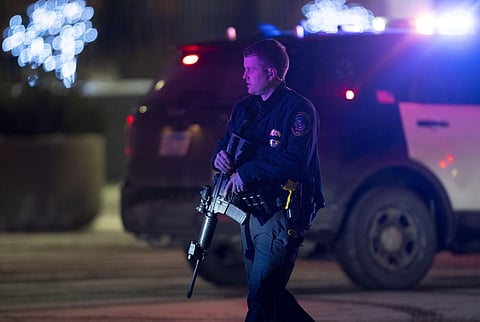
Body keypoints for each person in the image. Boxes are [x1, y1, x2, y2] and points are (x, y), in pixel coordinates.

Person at [212, 38, 325, 322]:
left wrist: (246, 173)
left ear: (271, 73)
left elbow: (295, 161)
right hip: (249, 211)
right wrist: (220, 158)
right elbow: (226, 143)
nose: (244, 76)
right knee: (268, 291)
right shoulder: (244, 109)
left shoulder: (298, 110)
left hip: (281, 212)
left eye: (251, 70)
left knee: (261, 292)